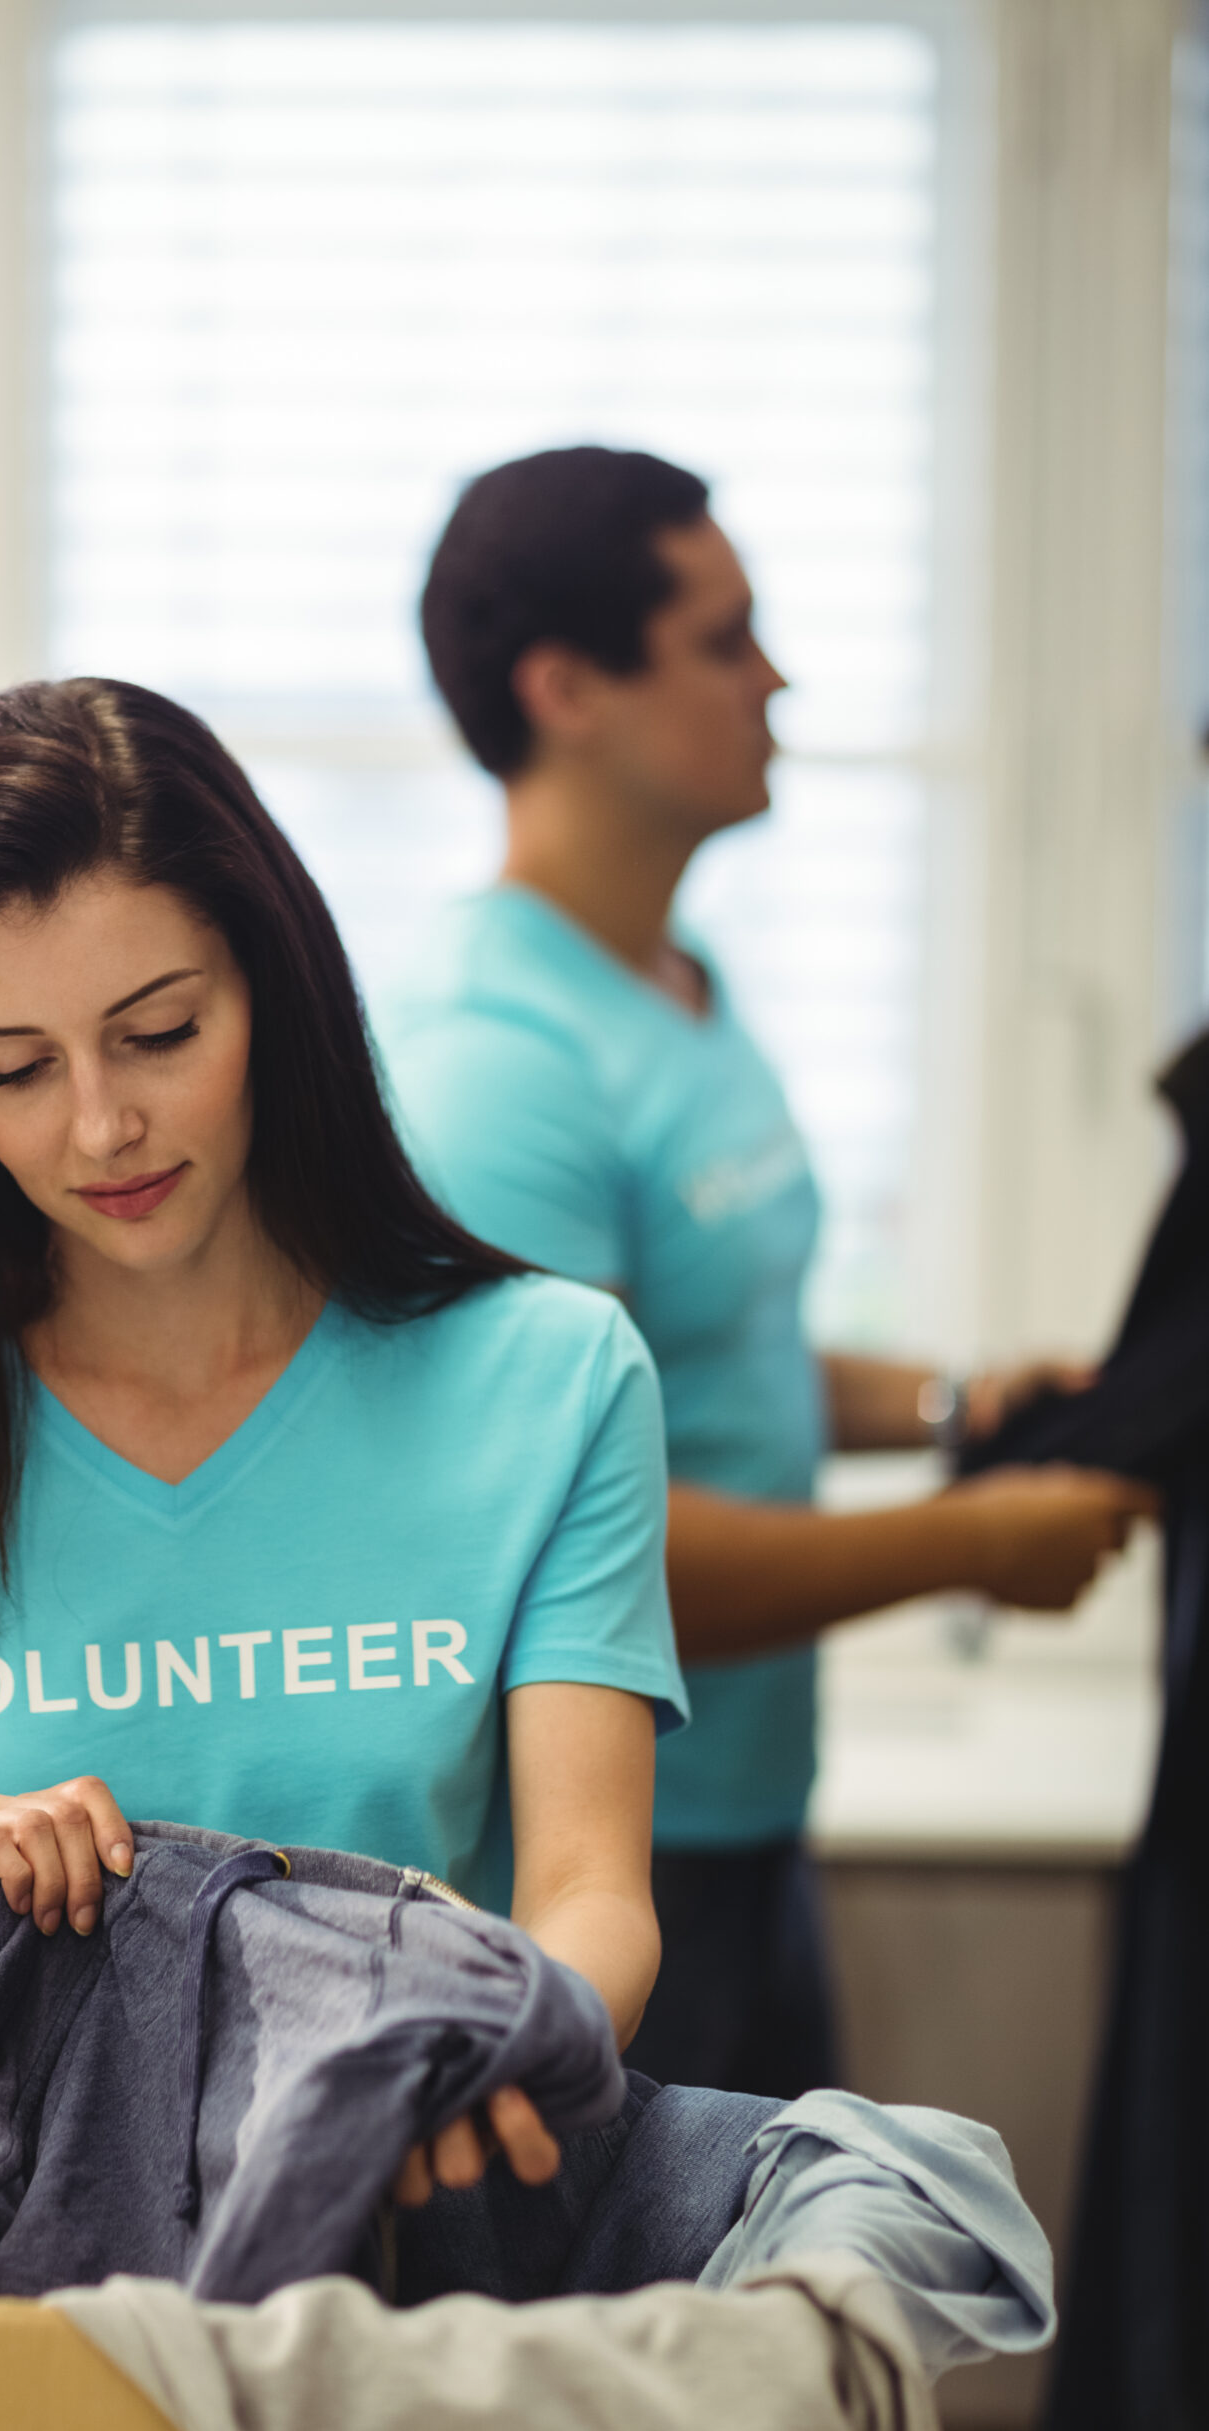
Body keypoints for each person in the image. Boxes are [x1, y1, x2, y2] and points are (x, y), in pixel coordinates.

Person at [0, 675, 691, 2206]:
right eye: (17, 1069)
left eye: (160, 1032)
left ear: (273, 994)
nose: (102, 1127)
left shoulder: (548, 1381)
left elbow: (591, 1889)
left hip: (393, 2246)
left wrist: (518, 2036)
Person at [381, 445, 1155, 2100]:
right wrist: (962, 1546)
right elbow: (570, 1535)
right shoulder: (493, 1064)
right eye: (727, 641)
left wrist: (949, 1406)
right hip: (584, 1882)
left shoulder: (679, 985)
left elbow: (707, 1359)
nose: (777, 680)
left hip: (745, 1818)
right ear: (568, 688)